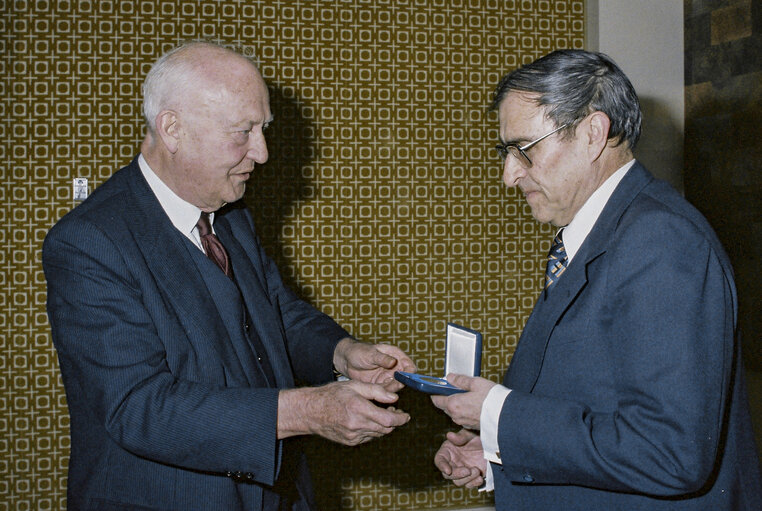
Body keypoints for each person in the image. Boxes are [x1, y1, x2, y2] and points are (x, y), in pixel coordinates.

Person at [43, 41, 415, 511]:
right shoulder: (88, 242)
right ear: (172, 129)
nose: (260, 153)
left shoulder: (231, 215)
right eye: (243, 132)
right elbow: (137, 408)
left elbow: (277, 314)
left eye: (263, 130)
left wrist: (342, 353)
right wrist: (307, 411)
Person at [431, 49, 762, 510]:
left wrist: (498, 415)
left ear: (593, 133)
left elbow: (671, 453)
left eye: (524, 149)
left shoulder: (661, 241)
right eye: (505, 152)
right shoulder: (603, 230)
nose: (509, 176)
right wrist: (500, 453)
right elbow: (593, 403)